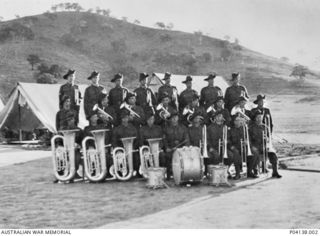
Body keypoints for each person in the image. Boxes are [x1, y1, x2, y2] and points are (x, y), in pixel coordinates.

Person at [249, 111, 282, 178]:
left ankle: (275, 172)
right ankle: (255, 171)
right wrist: (252, 146)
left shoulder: (265, 127)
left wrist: (267, 141)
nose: (259, 119)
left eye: (260, 117)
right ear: (255, 118)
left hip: (264, 146)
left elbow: (268, 138)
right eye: (258, 117)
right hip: (255, 146)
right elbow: (249, 139)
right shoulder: (251, 128)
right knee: (256, 153)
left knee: (273, 154)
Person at [207, 113, 240, 178]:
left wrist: (227, 143)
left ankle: (225, 171)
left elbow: (227, 138)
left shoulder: (224, 127)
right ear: (215, 118)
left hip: (223, 148)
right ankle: (215, 174)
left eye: (221, 116)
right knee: (216, 156)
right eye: (218, 116)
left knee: (231, 155)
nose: (220, 118)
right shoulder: (210, 127)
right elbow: (207, 139)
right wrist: (210, 147)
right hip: (213, 148)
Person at [112, 109, 140, 175]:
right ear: (121, 119)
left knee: (137, 157)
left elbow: (137, 139)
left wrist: (134, 147)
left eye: (126, 118)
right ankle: (123, 173)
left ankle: (136, 171)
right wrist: (118, 150)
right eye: (123, 118)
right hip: (121, 150)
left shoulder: (133, 128)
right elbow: (114, 141)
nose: (125, 120)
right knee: (119, 157)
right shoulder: (117, 129)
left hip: (132, 149)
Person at [163, 111, 190, 179]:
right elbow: (164, 140)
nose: (174, 119)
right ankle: (168, 176)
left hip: (181, 149)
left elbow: (187, 139)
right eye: (173, 118)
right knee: (166, 156)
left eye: (176, 117)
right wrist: (167, 148)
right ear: (170, 119)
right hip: (170, 149)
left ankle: (183, 175)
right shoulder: (166, 128)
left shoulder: (183, 127)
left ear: (178, 118)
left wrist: (184, 148)